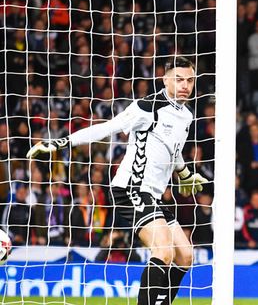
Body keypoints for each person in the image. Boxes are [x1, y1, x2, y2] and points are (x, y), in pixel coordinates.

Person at [26, 56, 208, 305]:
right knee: (163, 251)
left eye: (190, 80)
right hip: (131, 188)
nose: (185, 85)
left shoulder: (186, 115)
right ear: (165, 80)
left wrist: (184, 173)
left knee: (186, 255)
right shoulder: (147, 106)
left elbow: (173, 151)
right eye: (179, 79)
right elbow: (106, 128)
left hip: (152, 195)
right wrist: (61, 142)